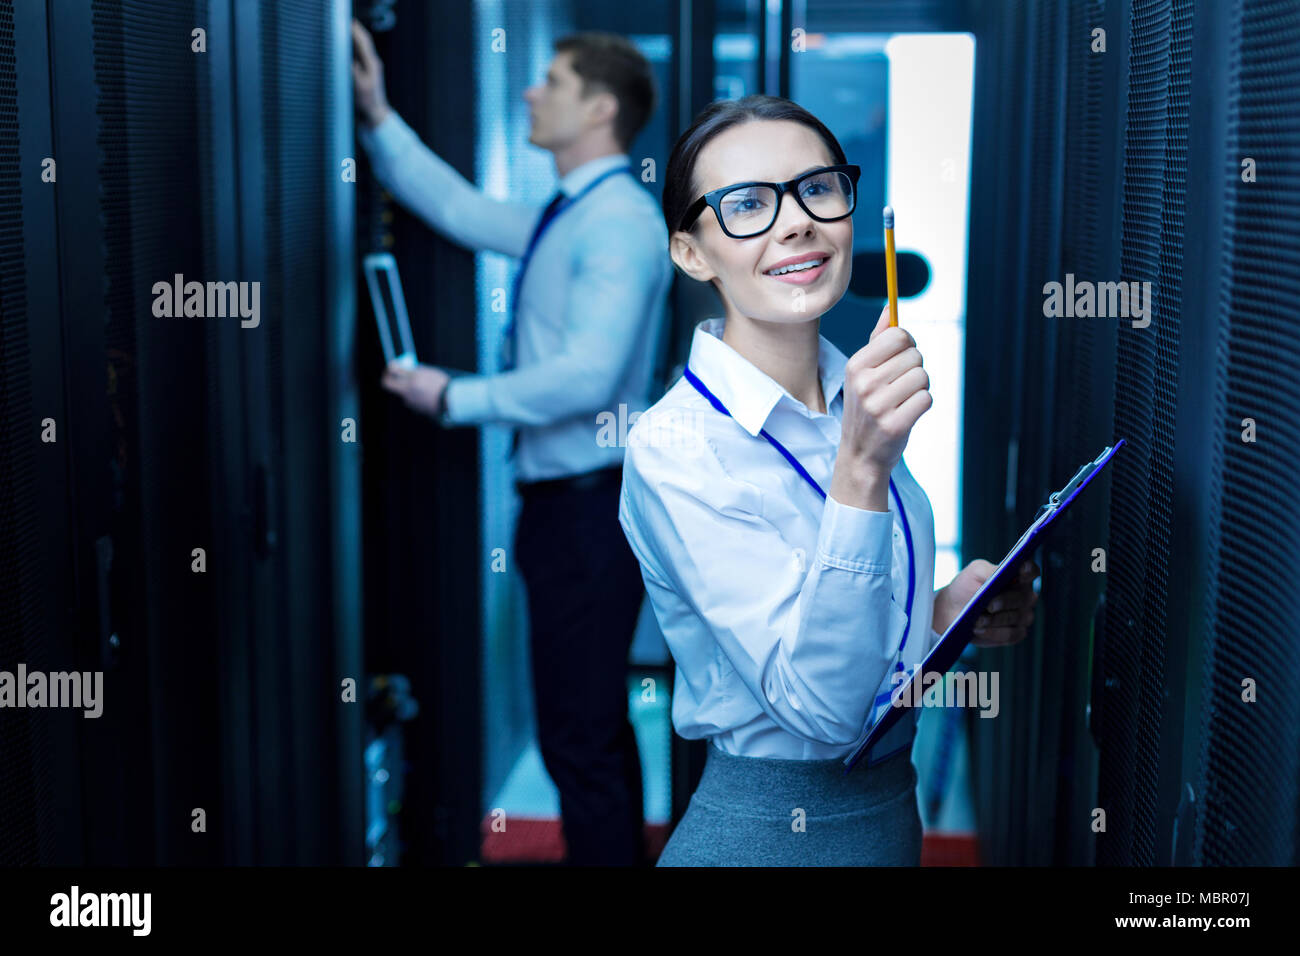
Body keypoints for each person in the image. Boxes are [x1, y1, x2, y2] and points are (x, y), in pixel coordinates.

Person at [618, 95, 1040, 866]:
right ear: (691, 253)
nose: (796, 222)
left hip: (886, 811)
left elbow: (851, 638)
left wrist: (942, 617)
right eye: (747, 204)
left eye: (817, 188)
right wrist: (862, 467)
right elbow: (824, 709)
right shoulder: (674, 447)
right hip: (767, 833)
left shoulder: (849, 391)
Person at [352, 21, 671, 866]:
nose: (531, 92)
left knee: (579, 735)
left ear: (600, 107)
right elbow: (457, 208)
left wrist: (452, 395)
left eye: (553, 81)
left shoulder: (619, 223)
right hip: (566, 509)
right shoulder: (567, 214)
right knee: (585, 727)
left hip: (588, 512)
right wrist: (377, 114)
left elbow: (588, 377)